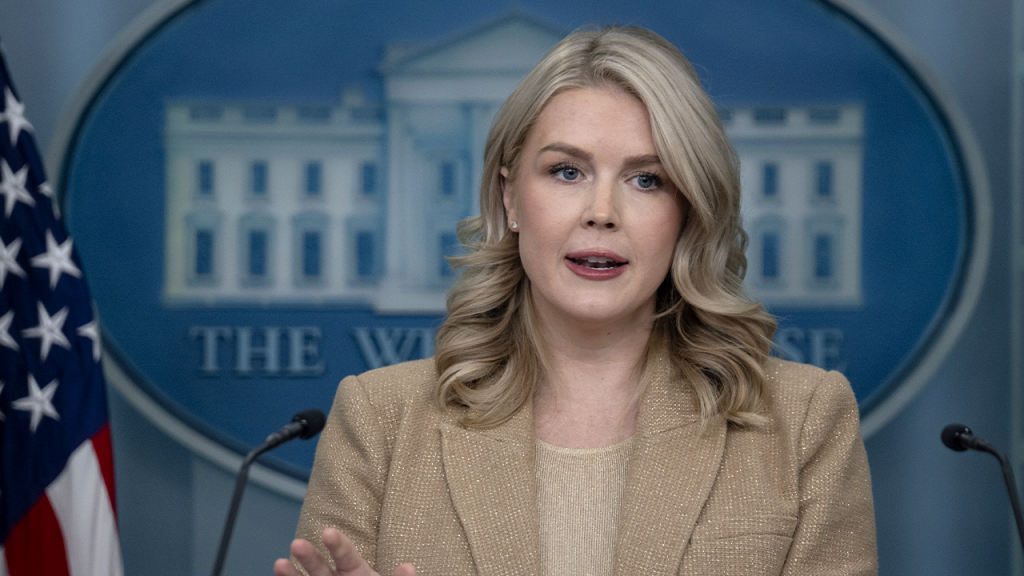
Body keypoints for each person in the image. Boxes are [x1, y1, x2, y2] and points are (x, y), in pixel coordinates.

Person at [274, 25, 877, 576]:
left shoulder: (805, 420)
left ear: (689, 211)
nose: (601, 212)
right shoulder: (379, 418)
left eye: (647, 179)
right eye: (567, 171)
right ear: (510, 198)